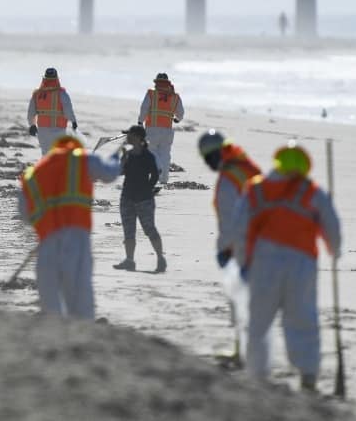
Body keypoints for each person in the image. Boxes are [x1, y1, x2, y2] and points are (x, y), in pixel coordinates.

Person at [230, 141, 341, 391]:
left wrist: (242, 261)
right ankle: (308, 375)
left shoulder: (256, 189)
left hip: (263, 260)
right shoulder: (312, 191)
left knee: (259, 319)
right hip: (301, 263)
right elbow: (331, 226)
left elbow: (240, 229)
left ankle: (256, 374)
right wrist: (335, 251)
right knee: (302, 317)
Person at [17, 135, 122, 319]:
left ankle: (55, 335)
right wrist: (116, 158)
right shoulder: (85, 159)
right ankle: (81, 334)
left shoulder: (35, 172)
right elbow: (110, 174)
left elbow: (25, 214)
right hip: (76, 239)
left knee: (51, 303)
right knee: (81, 297)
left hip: (47, 242)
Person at [198, 129, 261, 361]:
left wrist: (223, 249)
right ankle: (246, 350)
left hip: (239, 248)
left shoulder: (227, 180)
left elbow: (230, 221)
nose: (207, 164)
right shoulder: (249, 169)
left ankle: (243, 353)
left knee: (240, 300)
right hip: (264, 243)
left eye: (207, 159)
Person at [112, 125, 166, 273]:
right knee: (128, 231)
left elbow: (155, 176)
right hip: (127, 197)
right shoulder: (128, 154)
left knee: (149, 229)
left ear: (138, 138)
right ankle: (129, 260)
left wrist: (147, 190)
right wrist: (122, 160)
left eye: (130, 135)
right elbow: (120, 172)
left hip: (144, 199)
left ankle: (160, 258)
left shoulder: (149, 156)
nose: (127, 137)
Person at [139, 72, 184, 184]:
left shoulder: (151, 94)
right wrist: (177, 120)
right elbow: (181, 113)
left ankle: (158, 168)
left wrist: (140, 121)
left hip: (152, 129)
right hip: (167, 130)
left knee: (151, 150)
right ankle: (164, 178)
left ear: (156, 82)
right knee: (165, 153)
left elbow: (144, 108)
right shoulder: (175, 97)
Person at [27, 67, 77, 154]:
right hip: (59, 130)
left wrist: (32, 125)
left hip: (43, 130)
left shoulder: (37, 94)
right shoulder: (62, 93)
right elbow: (68, 110)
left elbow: (31, 112)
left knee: (45, 154)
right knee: (57, 154)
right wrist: (73, 121)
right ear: (57, 79)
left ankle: (46, 167)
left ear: (44, 78)